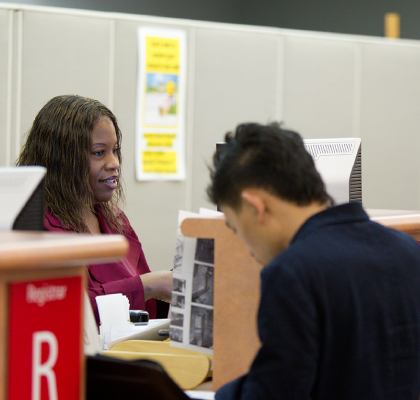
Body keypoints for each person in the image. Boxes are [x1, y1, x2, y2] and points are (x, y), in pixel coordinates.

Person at [207, 122, 420, 399]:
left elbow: (277, 392)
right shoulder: (406, 249)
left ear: (256, 206)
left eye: (235, 227)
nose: (246, 248)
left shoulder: (292, 271)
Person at [17, 94, 172, 325]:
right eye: (99, 153)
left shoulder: (115, 220)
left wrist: (177, 284)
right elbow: (66, 308)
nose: (115, 163)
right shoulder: (35, 226)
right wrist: (150, 285)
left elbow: (145, 309)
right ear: (63, 160)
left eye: (115, 150)